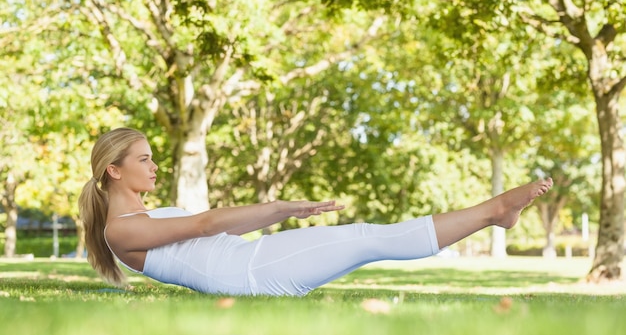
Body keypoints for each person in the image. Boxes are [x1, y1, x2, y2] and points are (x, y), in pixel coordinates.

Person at [78, 127, 553, 296]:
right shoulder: (120, 232)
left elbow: (212, 227)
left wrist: (284, 211)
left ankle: (494, 212)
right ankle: (495, 211)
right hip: (251, 274)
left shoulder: (138, 219)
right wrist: (282, 208)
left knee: (368, 235)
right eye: (144, 159)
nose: (154, 165)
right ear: (114, 171)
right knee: (368, 237)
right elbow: (205, 223)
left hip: (255, 260)